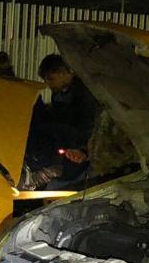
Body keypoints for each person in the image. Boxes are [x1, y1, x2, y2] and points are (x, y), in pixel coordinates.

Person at [25, 54, 99, 188]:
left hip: (74, 145)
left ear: (62, 73)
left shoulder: (84, 93)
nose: (48, 84)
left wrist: (80, 148)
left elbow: (86, 125)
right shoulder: (60, 92)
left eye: (51, 79)